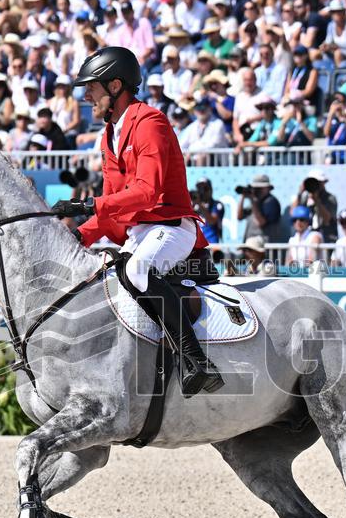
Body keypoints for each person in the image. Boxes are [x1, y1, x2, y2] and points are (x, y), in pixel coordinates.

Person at [50, 46, 224, 397]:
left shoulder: (150, 122)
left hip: (171, 227)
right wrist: (76, 237)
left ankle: (196, 360)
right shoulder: (109, 136)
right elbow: (112, 206)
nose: (86, 97)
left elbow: (147, 192)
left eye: (92, 88)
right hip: (141, 232)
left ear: (115, 86)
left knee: (135, 271)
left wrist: (86, 204)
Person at [238, 174, 286, 245]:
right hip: (250, 244)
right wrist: (243, 196)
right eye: (255, 188)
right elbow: (239, 217)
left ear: (268, 188)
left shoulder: (271, 202)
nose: (257, 190)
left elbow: (261, 222)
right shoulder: (255, 202)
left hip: (264, 246)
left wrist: (252, 200)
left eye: (260, 188)